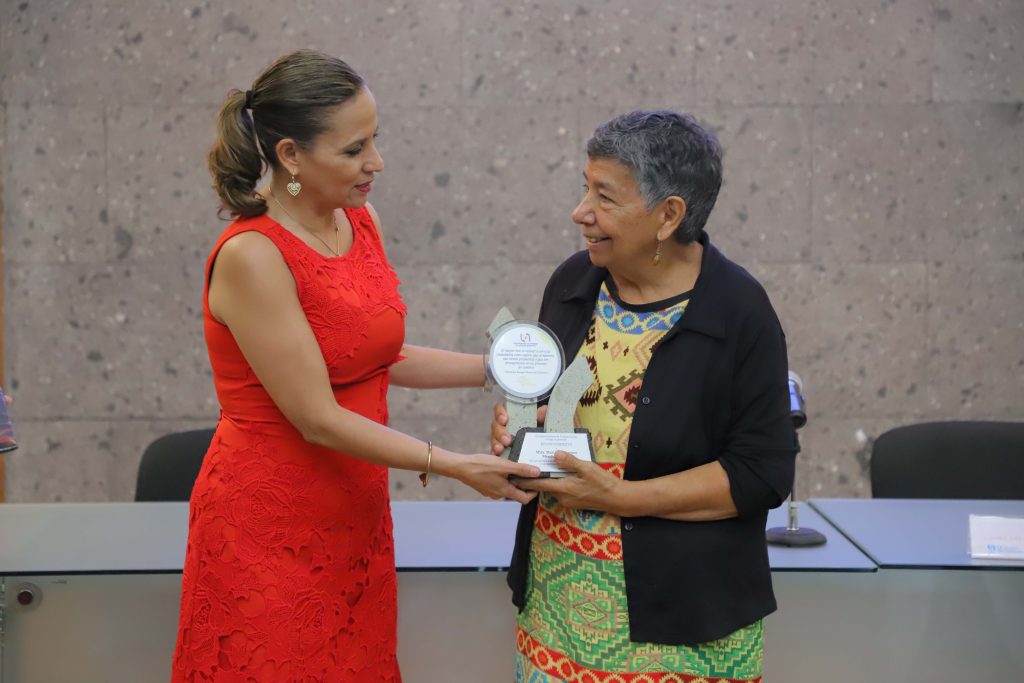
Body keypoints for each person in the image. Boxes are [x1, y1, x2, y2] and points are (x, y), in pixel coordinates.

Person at [171, 50, 538, 683]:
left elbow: (376, 355)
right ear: (290, 155)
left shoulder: (360, 222)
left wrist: (504, 369)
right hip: (269, 521)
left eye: (375, 140)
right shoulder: (253, 255)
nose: (377, 163)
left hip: (353, 513)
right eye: (353, 149)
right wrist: (452, 463)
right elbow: (315, 416)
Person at [491, 111, 797, 681]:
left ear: (669, 215)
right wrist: (516, 433)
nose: (580, 212)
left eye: (603, 196)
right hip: (557, 614)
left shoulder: (738, 313)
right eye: (584, 187)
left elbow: (762, 474)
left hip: (686, 627)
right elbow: (553, 406)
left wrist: (623, 497)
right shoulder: (572, 283)